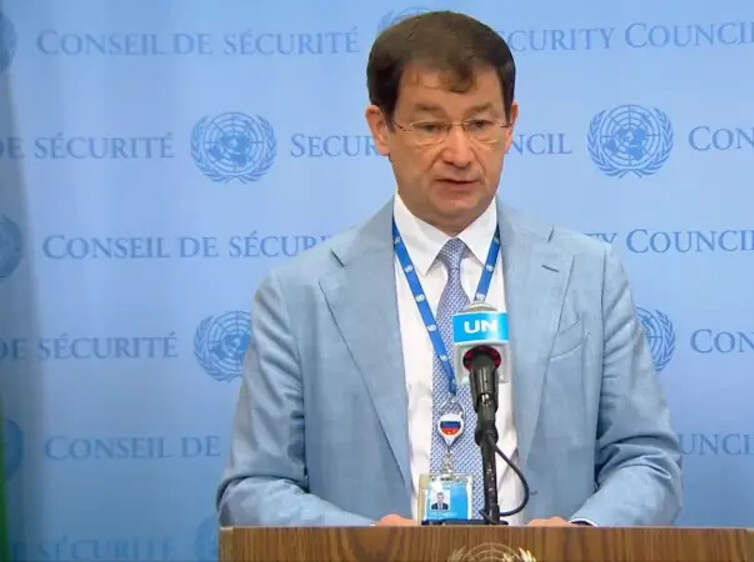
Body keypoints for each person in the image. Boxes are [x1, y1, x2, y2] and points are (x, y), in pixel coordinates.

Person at [217, 10, 682, 528]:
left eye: (480, 124)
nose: (459, 154)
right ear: (381, 128)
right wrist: (365, 546)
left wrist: (582, 539)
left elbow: (647, 460)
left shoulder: (589, 275)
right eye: (431, 126)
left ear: (510, 126)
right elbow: (253, 487)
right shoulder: (299, 295)